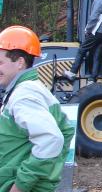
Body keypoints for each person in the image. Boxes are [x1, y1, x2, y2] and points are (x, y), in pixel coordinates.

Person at [0, 25, 74, 192]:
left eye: (0, 63)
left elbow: (51, 139)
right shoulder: (27, 90)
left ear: (19, 62)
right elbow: (66, 130)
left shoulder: (24, 94)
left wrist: (21, 185)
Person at [64, 0, 102, 82]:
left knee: (82, 49)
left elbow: (94, 17)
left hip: (95, 31)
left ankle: (73, 72)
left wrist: (87, 29)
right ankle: (92, 79)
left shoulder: (99, 1)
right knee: (97, 55)